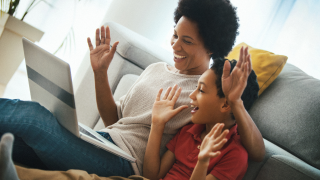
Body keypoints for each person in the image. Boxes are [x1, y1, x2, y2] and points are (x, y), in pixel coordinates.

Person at [0, 0, 264, 177]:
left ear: (211, 48)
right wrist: (100, 73)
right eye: (174, 35)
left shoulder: (203, 94)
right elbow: (114, 119)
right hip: (101, 141)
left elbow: (254, 149)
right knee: (14, 144)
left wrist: (235, 98)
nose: (174, 46)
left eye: (186, 41)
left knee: (33, 117)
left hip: (124, 162)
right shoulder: (156, 69)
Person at [143, 50, 259, 180]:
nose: (191, 95)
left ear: (226, 105)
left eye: (201, 90)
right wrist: (157, 124)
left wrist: (203, 161)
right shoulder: (188, 130)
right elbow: (150, 176)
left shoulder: (235, 154)